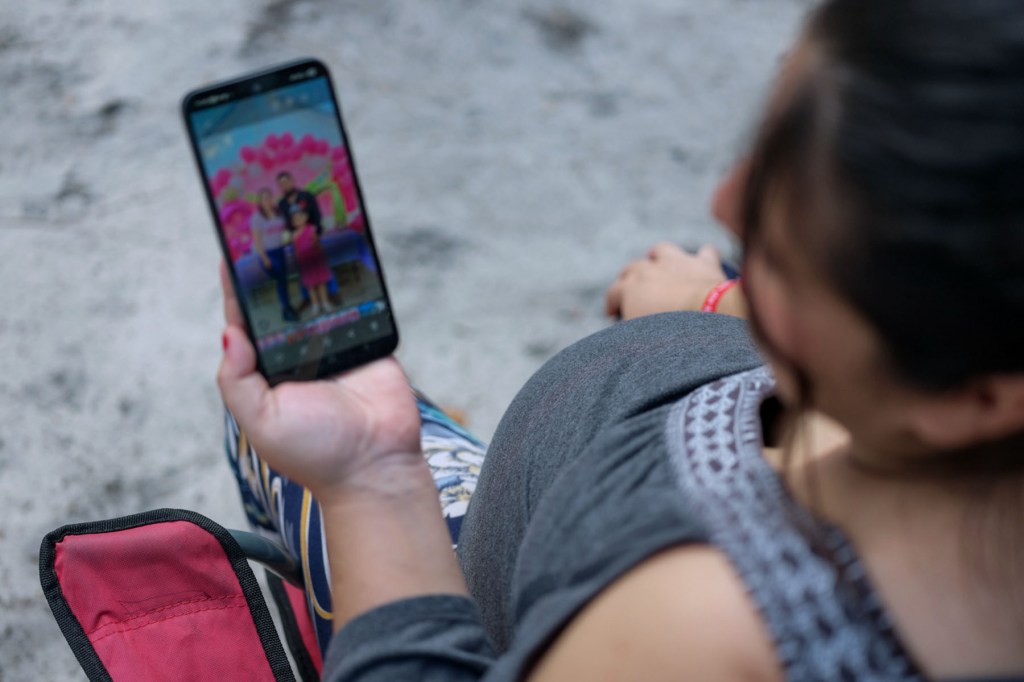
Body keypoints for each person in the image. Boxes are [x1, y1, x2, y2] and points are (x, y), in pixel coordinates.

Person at [217, 0, 1024, 679]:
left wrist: (373, 480)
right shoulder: (953, 384)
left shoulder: (700, 632)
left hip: (470, 576)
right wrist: (716, 300)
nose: (724, 203)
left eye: (786, 233)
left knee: (272, 431)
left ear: (974, 398)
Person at [251, 188, 299, 322]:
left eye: (269, 197)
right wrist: (264, 257)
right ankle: (286, 308)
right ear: (260, 201)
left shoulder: (279, 213)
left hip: (280, 251)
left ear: (273, 198)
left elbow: (285, 230)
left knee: (283, 280)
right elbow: (257, 240)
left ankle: (287, 308)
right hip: (268, 254)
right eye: (264, 198)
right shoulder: (257, 218)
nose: (267, 200)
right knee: (281, 279)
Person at [288, 205, 333, 317]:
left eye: (300, 217)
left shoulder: (311, 228)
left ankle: (325, 302)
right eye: (295, 219)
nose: (298, 220)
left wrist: (316, 247)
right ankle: (315, 305)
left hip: (316, 260)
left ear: (305, 218)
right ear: (293, 222)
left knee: (321, 282)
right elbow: (296, 250)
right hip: (305, 263)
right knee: (311, 286)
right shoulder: (294, 235)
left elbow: (317, 244)